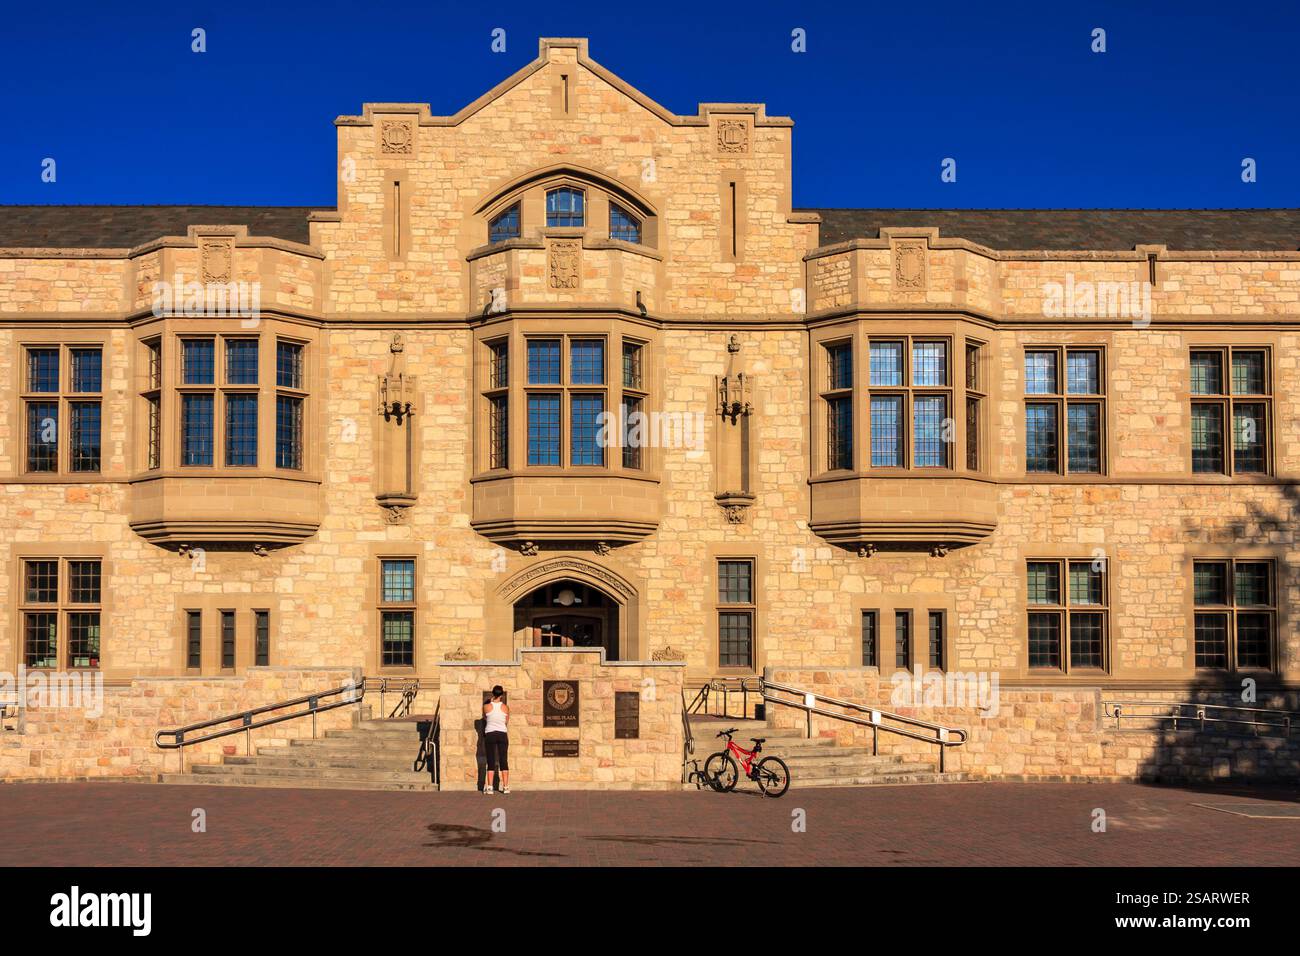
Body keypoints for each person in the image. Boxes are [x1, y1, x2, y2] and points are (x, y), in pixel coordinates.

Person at [482, 685, 510, 795]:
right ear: (502, 695)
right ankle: (506, 787)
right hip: (502, 734)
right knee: (504, 760)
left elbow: (485, 717)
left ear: (493, 694)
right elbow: (506, 721)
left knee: (491, 760)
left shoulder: (486, 706)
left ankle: (489, 787)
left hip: (490, 734)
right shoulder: (505, 707)